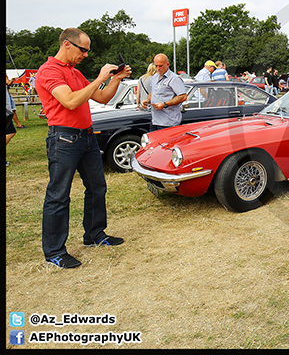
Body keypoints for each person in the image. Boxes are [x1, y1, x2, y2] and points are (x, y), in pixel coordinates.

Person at [35, 28, 132, 269]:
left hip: (87, 138)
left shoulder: (75, 72)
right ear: (67, 44)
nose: (86, 55)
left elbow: (102, 98)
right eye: (83, 49)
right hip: (64, 139)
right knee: (59, 196)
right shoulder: (49, 71)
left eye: (88, 50)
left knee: (97, 187)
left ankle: (95, 236)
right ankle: (55, 251)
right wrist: (100, 78)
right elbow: (69, 101)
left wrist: (116, 79)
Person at [141, 53, 187, 131]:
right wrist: (147, 100)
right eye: (156, 66)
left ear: (167, 64)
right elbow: (153, 92)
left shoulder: (174, 78)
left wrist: (165, 104)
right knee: (153, 142)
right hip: (155, 120)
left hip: (168, 122)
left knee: (166, 143)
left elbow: (183, 96)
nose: (158, 68)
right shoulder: (154, 77)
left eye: (161, 66)